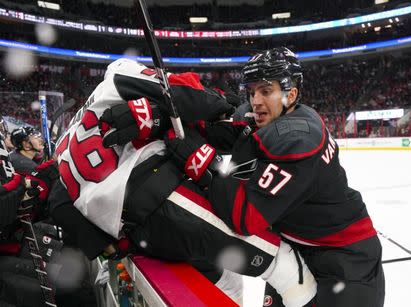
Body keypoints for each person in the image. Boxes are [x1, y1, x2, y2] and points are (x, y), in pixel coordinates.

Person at [48, 58, 317, 307]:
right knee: (285, 265)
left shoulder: (67, 138)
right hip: (160, 196)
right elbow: (187, 96)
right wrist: (226, 106)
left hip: (134, 229)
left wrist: (102, 240)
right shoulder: (119, 71)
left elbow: (59, 200)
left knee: (224, 279)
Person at [165, 47, 385, 307]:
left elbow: (245, 216)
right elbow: (219, 127)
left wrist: (202, 162)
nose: (255, 100)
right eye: (252, 91)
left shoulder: (298, 140)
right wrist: (171, 109)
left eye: (266, 91)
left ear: (290, 94)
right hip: (296, 251)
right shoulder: (273, 118)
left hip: (344, 261)